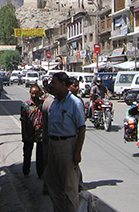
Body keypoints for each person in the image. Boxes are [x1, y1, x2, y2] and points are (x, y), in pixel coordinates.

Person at [45, 72, 86, 212]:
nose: (51, 86)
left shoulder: (74, 103)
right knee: (53, 184)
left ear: (63, 84)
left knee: (69, 187)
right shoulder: (55, 102)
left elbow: (81, 128)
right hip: (53, 145)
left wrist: (77, 152)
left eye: (54, 83)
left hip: (67, 146)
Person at [21, 85, 44, 178]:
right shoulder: (25, 105)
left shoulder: (43, 104)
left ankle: (41, 173)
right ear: (30, 93)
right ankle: (26, 170)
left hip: (40, 134)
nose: (35, 95)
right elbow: (23, 120)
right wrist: (24, 134)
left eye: (37, 93)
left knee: (40, 156)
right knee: (27, 154)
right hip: (29, 133)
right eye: (33, 93)